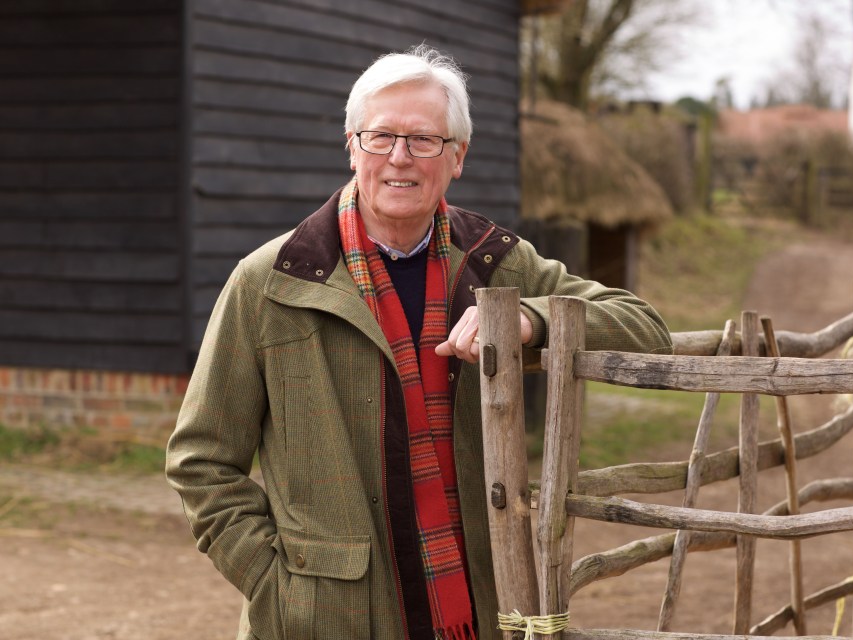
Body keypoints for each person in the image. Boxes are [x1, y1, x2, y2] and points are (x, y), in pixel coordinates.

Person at [166, 44, 672, 640]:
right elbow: (202, 462)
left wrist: (532, 321)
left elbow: (645, 325)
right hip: (327, 617)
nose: (399, 158)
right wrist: (277, 583)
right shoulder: (271, 282)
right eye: (381, 137)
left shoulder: (497, 263)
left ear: (457, 156)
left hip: (480, 605)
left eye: (424, 140)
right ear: (352, 146)